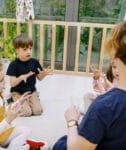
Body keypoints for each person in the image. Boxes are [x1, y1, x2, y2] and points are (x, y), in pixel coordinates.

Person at [53, 21, 126, 150]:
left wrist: (72, 121)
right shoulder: (108, 102)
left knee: (61, 143)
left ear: (115, 52)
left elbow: (76, 148)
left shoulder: (104, 105)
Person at [6, 34, 53, 117]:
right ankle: (12, 100)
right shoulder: (13, 65)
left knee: (38, 111)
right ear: (17, 50)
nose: (28, 51)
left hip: (31, 91)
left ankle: (33, 97)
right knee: (27, 112)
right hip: (18, 93)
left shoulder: (34, 62)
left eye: (30, 49)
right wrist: (21, 77)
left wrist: (44, 73)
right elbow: (12, 83)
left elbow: (39, 78)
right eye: (25, 49)